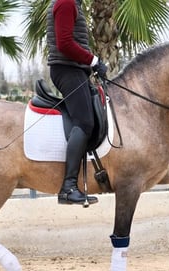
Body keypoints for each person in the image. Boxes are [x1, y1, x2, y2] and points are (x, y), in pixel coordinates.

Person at [47, 0, 108, 205]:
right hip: (67, 70)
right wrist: (93, 60)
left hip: (74, 69)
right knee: (84, 122)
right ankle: (68, 187)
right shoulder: (66, 2)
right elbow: (64, 43)